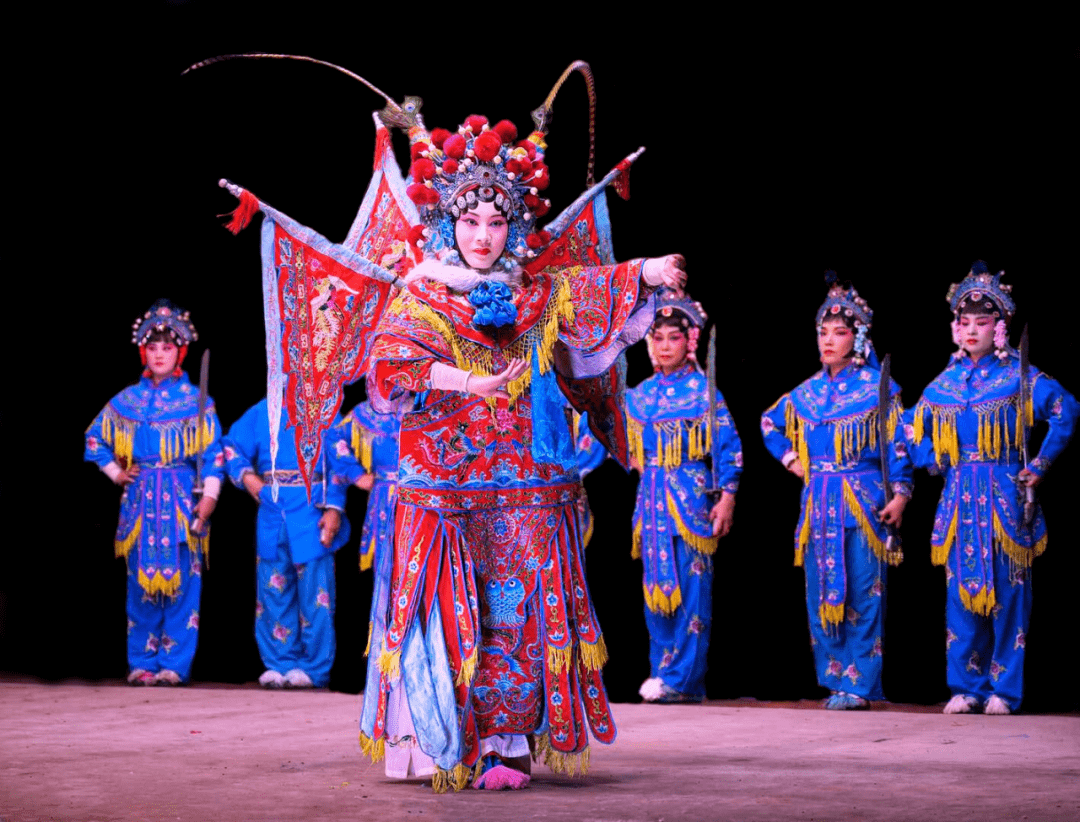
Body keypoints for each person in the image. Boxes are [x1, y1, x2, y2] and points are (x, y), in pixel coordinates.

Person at [363, 112, 687, 790]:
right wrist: (470, 381)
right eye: (471, 221)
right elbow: (392, 371)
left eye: (497, 222)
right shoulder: (420, 297)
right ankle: (447, 741)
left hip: (530, 488)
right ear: (449, 224)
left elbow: (588, 321)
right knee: (455, 613)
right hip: (445, 492)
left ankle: (507, 745)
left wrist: (649, 273)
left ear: (515, 228)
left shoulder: (540, 295)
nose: (484, 236)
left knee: (517, 613)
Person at [905, 261, 1078, 715]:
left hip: (1004, 496)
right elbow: (905, 427)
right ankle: (965, 686)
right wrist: (933, 460)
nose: (971, 330)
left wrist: (1038, 465)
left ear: (1000, 327)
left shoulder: (1019, 377)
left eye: (982, 322)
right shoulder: (943, 383)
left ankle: (1004, 689)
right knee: (961, 598)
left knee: (1008, 595)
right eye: (964, 323)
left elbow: (1066, 408)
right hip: (959, 498)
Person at [761, 274, 911, 710]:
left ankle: (861, 684)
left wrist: (900, 494)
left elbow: (897, 443)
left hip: (863, 500)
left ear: (858, 337)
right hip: (818, 502)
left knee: (865, 590)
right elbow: (768, 423)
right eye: (822, 333)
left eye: (839, 333)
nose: (828, 341)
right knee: (821, 591)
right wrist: (793, 460)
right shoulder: (805, 392)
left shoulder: (879, 389)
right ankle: (835, 678)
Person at [84, 299, 222, 686]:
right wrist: (115, 472)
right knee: (140, 587)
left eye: (167, 347)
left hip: (182, 500)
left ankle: (174, 665)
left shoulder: (198, 401)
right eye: (152, 346)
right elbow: (94, 438)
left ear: (181, 351)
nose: (159, 353)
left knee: (183, 585)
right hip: (141, 502)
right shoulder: (126, 400)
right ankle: (142, 661)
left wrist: (209, 497)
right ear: (142, 351)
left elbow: (213, 454)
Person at [627, 289, 741, 704]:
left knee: (692, 594)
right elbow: (614, 441)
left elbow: (729, 449)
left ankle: (682, 679)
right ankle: (664, 673)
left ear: (690, 340)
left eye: (672, 337)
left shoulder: (704, 392)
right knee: (657, 594)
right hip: (651, 504)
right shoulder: (639, 395)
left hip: (691, 505)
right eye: (656, 337)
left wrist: (726, 497)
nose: (663, 345)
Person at [222, 397, 351, 689]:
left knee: (316, 595)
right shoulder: (260, 411)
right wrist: (248, 477)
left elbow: (342, 460)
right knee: (272, 589)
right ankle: (279, 663)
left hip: (312, 507)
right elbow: (230, 446)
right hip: (272, 507)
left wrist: (334, 508)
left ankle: (314, 668)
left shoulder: (326, 408)